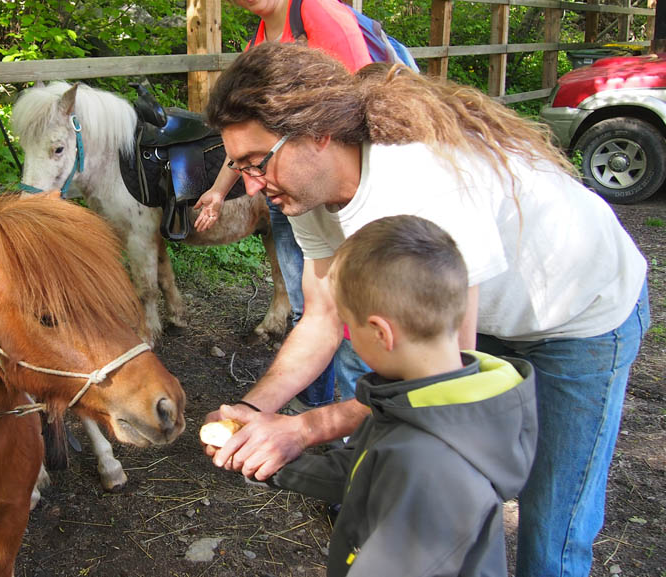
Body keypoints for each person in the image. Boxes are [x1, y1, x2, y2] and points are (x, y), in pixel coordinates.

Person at [202, 42, 649, 577]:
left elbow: (441, 388)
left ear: (316, 134)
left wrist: (302, 430)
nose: (250, 186)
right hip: (475, 321)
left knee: (551, 530)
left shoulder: (418, 184)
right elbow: (321, 317)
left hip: (576, 318)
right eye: (240, 167)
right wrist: (252, 412)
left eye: (257, 163)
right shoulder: (305, 192)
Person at [258, 214, 538, 577]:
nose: (347, 336)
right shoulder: (423, 405)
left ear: (380, 333)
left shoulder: (433, 464)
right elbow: (362, 469)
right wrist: (273, 465)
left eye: (347, 325)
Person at [193, 0, 373, 410]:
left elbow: (364, 102)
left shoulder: (320, 14)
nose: (250, 188)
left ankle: (344, 421)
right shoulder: (262, 37)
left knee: (360, 314)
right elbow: (249, 140)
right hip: (300, 187)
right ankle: (312, 404)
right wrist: (222, 189)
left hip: (340, 191)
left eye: (253, 168)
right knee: (308, 305)